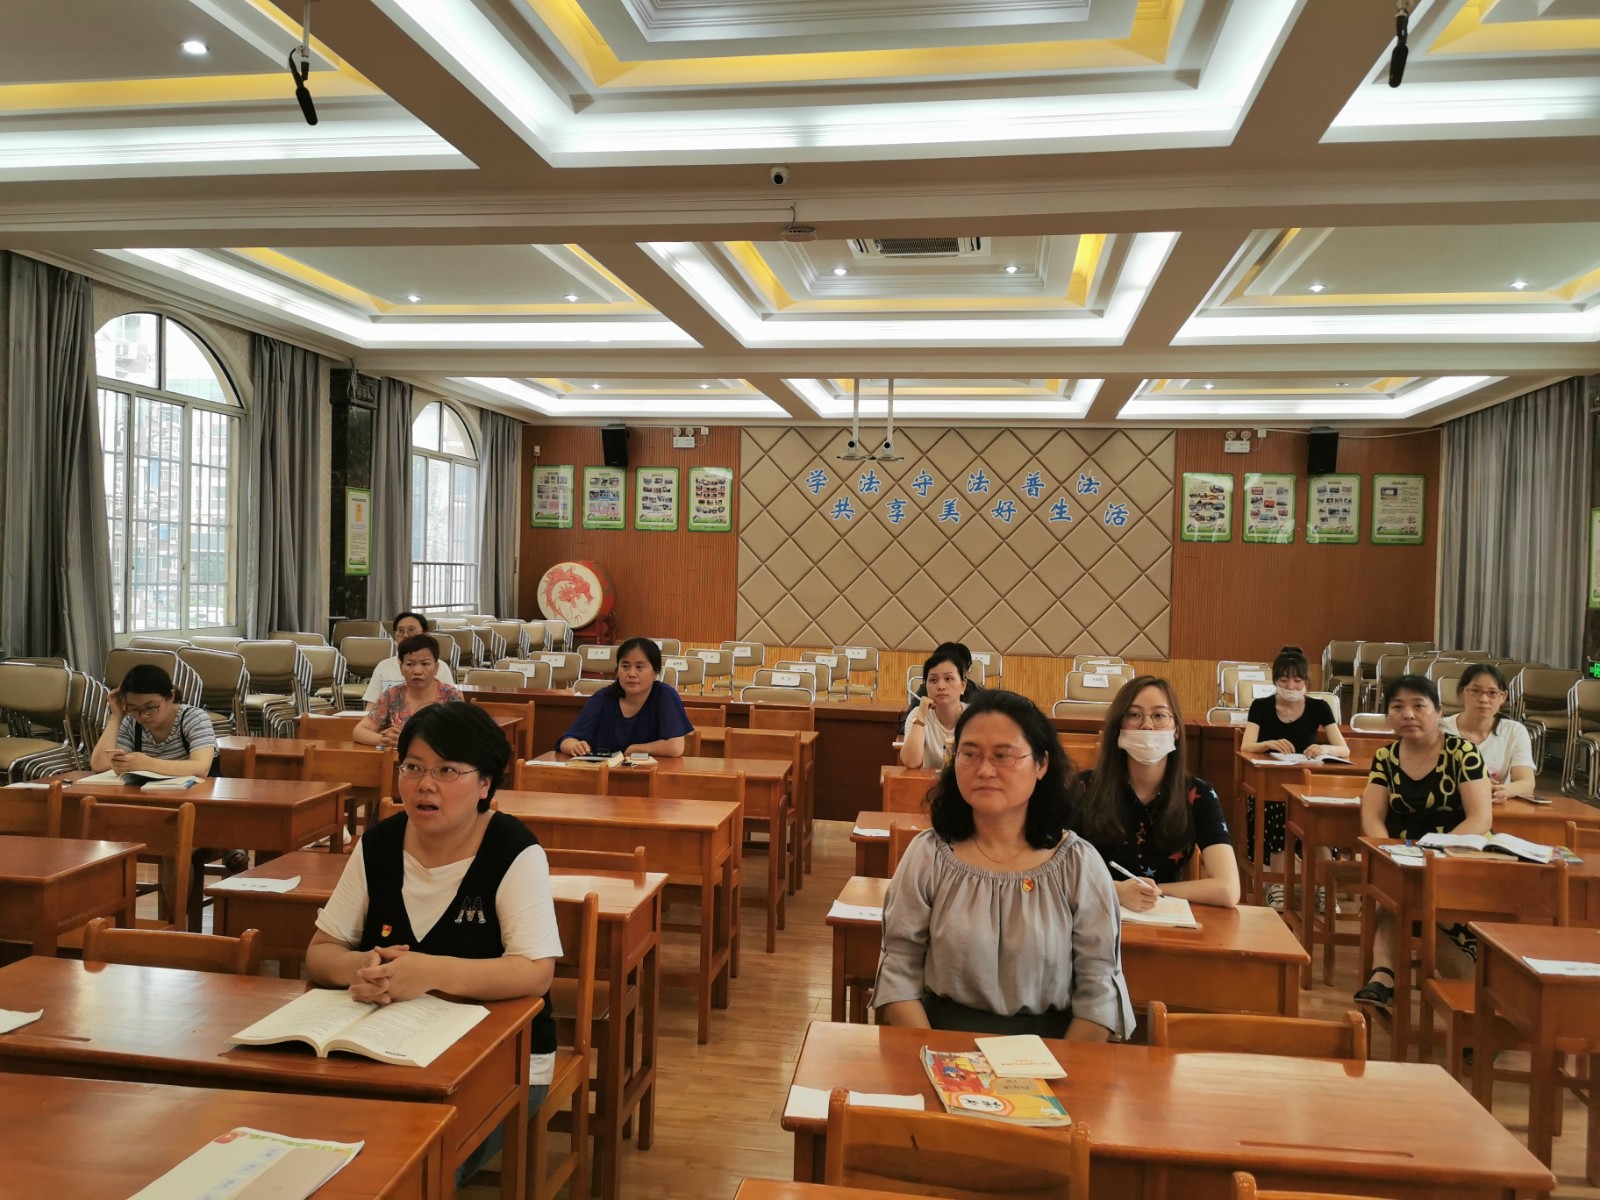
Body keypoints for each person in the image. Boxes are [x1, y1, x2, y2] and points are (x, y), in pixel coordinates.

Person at [305, 702, 561, 1187]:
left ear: (485, 784)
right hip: (383, 1049)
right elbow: (320, 952)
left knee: (409, 1170)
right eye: (414, 767)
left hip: (500, 1060)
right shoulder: (378, 845)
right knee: (318, 1145)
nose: (426, 784)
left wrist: (429, 973)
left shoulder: (513, 849)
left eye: (447, 771)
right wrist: (365, 968)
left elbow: (534, 971)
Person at [873, 689, 1134, 1040]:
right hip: (939, 1042)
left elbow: (1099, 991)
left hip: (1053, 1050)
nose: (984, 770)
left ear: (1041, 764)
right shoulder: (928, 856)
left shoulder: (1078, 864)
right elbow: (898, 971)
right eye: (970, 754)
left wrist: (1061, 1066)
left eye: (1003, 756)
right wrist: (934, 1055)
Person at [1354, 674, 1491, 1016]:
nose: (1408, 714)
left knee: (1426, 909)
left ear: (1438, 711)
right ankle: (1383, 977)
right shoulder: (1386, 757)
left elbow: (1480, 818)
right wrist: (1386, 852)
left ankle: (1473, 1008)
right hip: (1403, 857)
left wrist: (1435, 853)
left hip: (1458, 857)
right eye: (1397, 707)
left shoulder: (1462, 753)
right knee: (1391, 894)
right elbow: (1372, 813)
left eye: (1419, 706)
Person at [1068, 676, 1241, 910]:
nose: (1147, 725)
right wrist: (1116, 891)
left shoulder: (1199, 794)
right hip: (1095, 912)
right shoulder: (1082, 788)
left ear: (1176, 730)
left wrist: (1152, 891)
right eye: (1134, 715)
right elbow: (1055, 871)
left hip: (1163, 915)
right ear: (1118, 727)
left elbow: (1228, 889)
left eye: (1159, 716)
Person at [1238, 645, 1349, 910]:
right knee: (1278, 810)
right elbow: (1246, 745)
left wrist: (1324, 749)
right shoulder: (1261, 706)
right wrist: (1268, 744)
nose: (1291, 685)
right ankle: (1278, 885)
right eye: (1284, 679)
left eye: (1297, 680)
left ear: (1306, 682)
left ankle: (1325, 888)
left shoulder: (1320, 707)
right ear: (1275, 681)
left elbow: (1343, 749)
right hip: (1271, 787)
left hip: (1308, 784)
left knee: (1320, 817)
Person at [558, 637, 691, 758]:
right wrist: (575, 746)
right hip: (606, 773)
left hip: (649, 773)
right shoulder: (603, 698)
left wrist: (637, 749)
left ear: (655, 672)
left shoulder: (665, 696)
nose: (631, 674)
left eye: (639, 667)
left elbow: (675, 747)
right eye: (625, 666)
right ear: (618, 670)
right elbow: (566, 740)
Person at [91, 664, 217, 777]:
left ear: (170, 696)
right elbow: (100, 765)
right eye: (133, 708)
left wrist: (148, 764)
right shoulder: (131, 722)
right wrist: (116, 716)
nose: (143, 716)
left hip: (194, 793)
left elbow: (201, 768)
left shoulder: (193, 718)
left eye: (150, 707)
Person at [1442, 663, 1536, 802]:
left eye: (1492, 693)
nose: (1484, 699)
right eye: (1475, 691)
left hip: (1494, 804)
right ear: (1461, 692)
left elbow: (1527, 783)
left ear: (1503, 697)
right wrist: (1474, 786)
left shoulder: (1514, 731)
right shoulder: (1441, 730)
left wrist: (1499, 791)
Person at [353, 634, 462, 749]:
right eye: (410, 664)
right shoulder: (391, 695)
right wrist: (386, 740)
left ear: (436, 668)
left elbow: (460, 737)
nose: (417, 671)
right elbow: (359, 731)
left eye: (425, 664)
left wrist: (407, 741)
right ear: (401, 668)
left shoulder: (451, 697)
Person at [362, 611, 455, 707]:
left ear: (425, 634)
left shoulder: (440, 667)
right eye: (400, 631)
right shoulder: (383, 667)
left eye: (411, 630)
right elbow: (371, 706)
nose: (405, 635)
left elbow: (452, 706)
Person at [899, 648, 969, 769]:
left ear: (963, 685)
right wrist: (921, 715)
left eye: (948, 679)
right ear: (925, 686)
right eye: (933, 680)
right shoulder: (918, 714)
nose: (941, 686)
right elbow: (911, 762)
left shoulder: (975, 715)